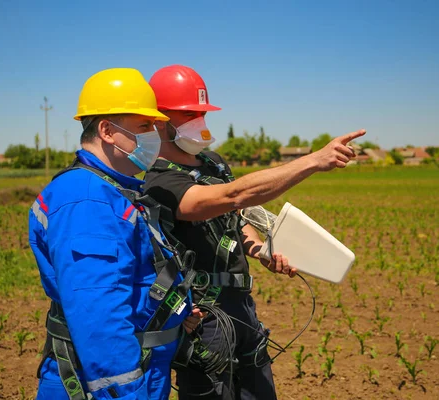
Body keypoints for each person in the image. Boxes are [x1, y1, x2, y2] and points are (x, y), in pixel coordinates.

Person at [143, 64, 365, 399]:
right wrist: (311, 162)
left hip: (242, 307)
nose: (199, 122)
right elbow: (233, 196)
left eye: (202, 113)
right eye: (189, 113)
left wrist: (261, 251)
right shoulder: (158, 179)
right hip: (204, 317)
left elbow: (236, 217)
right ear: (159, 120)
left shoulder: (213, 163)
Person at [29, 68, 203, 400]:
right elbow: (99, 319)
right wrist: (127, 394)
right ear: (108, 130)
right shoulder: (87, 200)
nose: (155, 134)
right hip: (108, 386)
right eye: (144, 126)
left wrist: (175, 313)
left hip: (144, 372)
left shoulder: (114, 190)